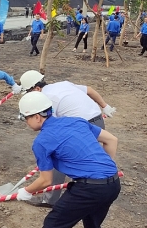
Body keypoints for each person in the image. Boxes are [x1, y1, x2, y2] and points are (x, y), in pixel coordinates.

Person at [12, 91, 120, 228]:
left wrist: (25, 192)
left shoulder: (42, 141)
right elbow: (112, 140)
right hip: (112, 183)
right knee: (93, 225)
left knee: (52, 225)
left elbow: (45, 180)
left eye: (25, 118)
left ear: (37, 117)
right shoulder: (76, 121)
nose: (26, 123)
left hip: (88, 189)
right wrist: (104, 171)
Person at [19, 70, 117, 208]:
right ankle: (96, 177)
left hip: (81, 123)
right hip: (97, 118)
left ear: (36, 88)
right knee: (84, 158)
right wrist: (105, 106)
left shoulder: (46, 99)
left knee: (61, 156)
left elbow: (52, 129)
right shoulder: (62, 84)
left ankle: (51, 199)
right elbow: (89, 90)